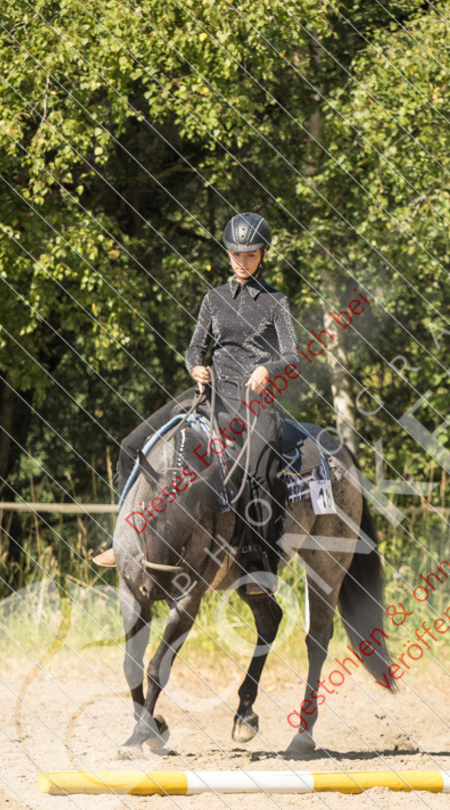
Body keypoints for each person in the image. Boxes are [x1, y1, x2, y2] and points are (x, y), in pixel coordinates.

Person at [93, 213, 299, 585]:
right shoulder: (213, 298)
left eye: (250, 255)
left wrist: (269, 368)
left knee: (262, 471)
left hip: (254, 401)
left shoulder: (276, 302)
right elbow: (193, 349)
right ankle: (121, 537)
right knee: (130, 445)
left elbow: (292, 357)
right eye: (235, 254)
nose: (242, 262)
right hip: (210, 394)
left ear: (264, 255)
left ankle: (259, 561)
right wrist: (196, 368)